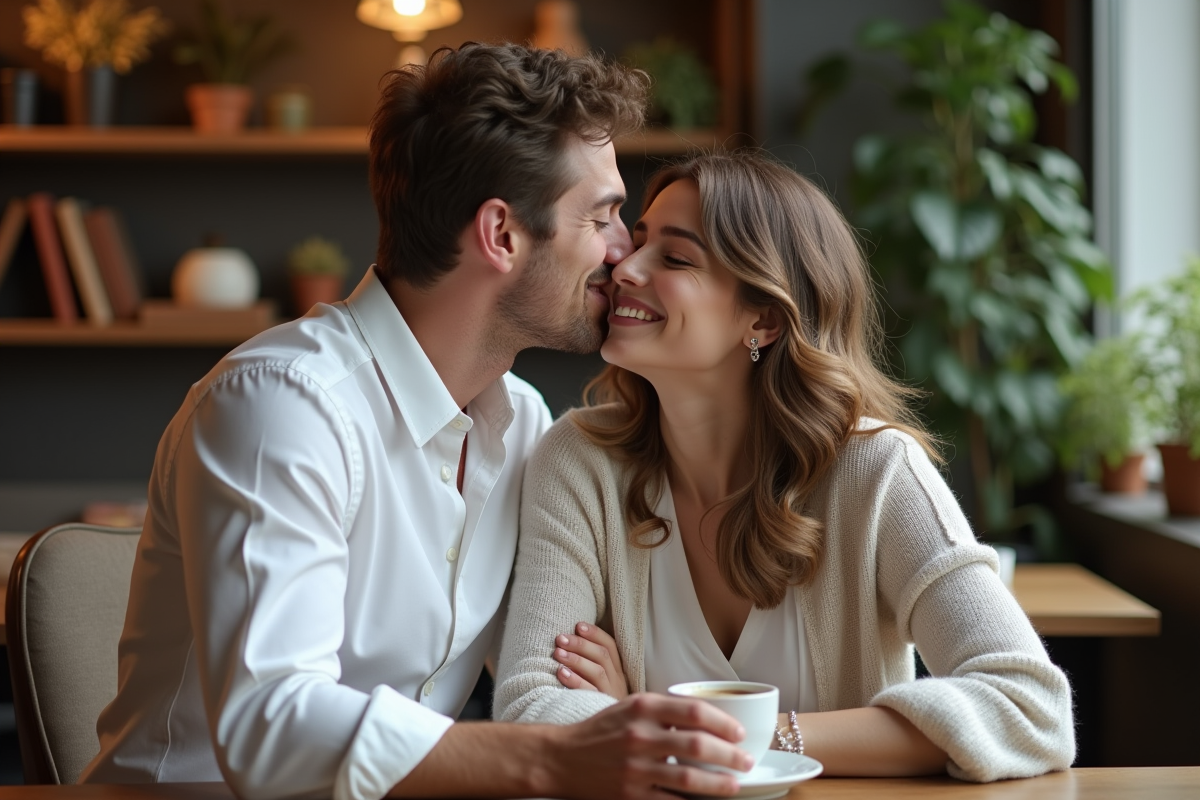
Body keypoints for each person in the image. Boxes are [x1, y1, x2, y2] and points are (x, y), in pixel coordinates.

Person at [81, 45, 760, 800]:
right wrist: (554, 756)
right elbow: (270, 727)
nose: (624, 252)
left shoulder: (525, 425)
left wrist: (602, 704)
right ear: (501, 235)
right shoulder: (283, 404)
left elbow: (547, 674)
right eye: (601, 217)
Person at [494, 151, 1075, 782]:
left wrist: (670, 724)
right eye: (638, 243)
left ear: (764, 319)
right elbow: (530, 713)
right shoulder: (580, 461)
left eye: (676, 258)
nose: (624, 268)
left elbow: (1031, 708)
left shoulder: (876, 472)